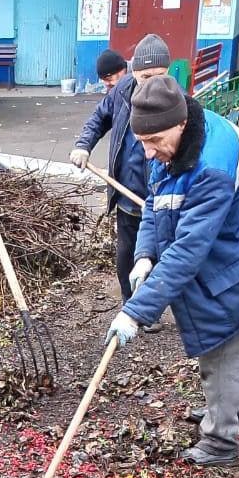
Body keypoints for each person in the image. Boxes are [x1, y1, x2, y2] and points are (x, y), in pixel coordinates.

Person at [105, 76, 239, 466]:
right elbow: (156, 204)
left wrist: (136, 311)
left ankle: (220, 441)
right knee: (237, 338)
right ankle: (236, 412)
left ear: (179, 124)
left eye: (155, 141)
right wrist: (144, 254)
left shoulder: (211, 165)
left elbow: (187, 252)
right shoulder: (172, 142)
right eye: (141, 142)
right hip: (234, 242)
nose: (148, 153)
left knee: (224, 341)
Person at [70, 34, 171, 323]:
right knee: (127, 253)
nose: (151, 82)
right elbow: (99, 118)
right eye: (145, 76)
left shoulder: (174, 99)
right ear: (134, 71)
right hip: (127, 192)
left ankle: (151, 308)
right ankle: (130, 304)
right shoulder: (123, 91)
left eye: (158, 76)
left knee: (157, 255)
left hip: (159, 196)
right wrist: (83, 145)